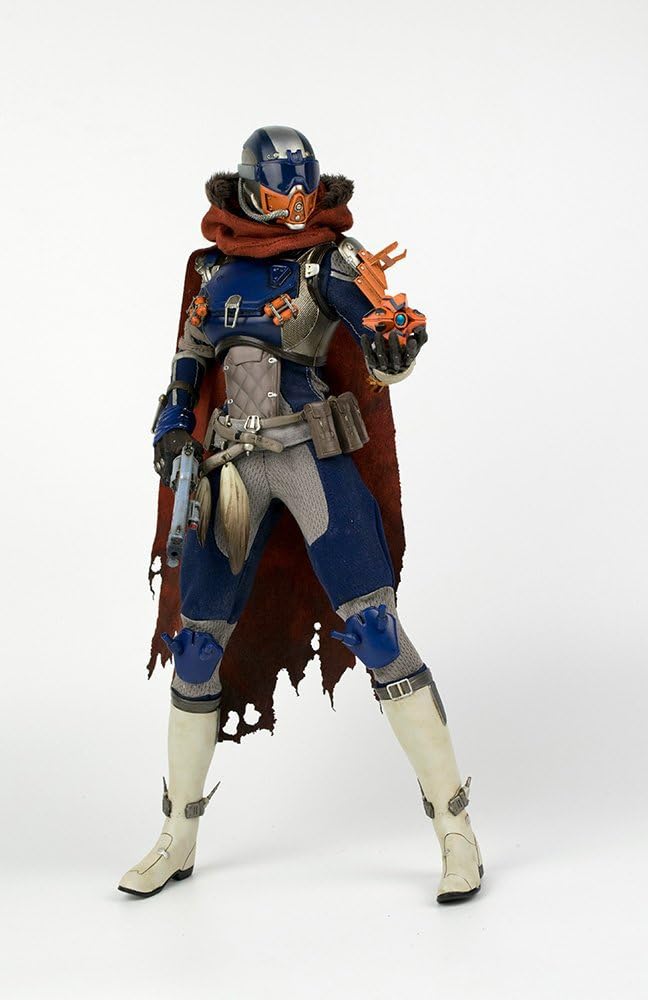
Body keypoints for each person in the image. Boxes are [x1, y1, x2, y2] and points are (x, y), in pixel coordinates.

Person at [118, 126, 483, 903]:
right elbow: (187, 364)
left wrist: (395, 348)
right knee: (195, 648)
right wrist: (171, 423)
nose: (292, 206)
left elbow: (378, 344)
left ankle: (455, 831)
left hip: (308, 454)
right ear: (249, 189)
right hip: (229, 464)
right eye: (279, 193)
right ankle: (176, 835)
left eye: (302, 193)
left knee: (376, 629)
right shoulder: (212, 269)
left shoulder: (326, 261)